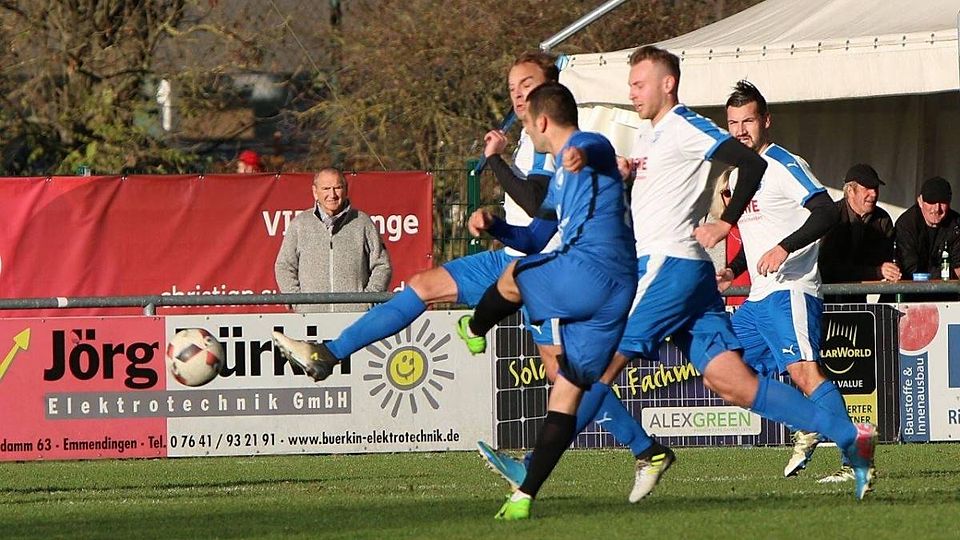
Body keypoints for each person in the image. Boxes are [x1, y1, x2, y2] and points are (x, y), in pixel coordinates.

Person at [466, 47, 877, 513]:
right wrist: (625, 178)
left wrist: (725, 222)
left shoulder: (684, 124)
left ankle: (533, 473)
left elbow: (752, 164)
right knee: (734, 383)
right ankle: (850, 434)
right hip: (687, 274)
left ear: (668, 84)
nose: (632, 92)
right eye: (630, 84)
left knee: (592, 369)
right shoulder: (651, 135)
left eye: (639, 83)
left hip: (669, 267)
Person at [272, 53, 664, 501]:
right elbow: (533, 227)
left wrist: (494, 161)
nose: (518, 94)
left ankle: (639, 449)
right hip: (515, 258)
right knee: (423, 286)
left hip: (556, 272)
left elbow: (539, 205)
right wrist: (496, 224)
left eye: (527, 84)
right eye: (512, 86)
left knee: (565, 378)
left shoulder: (562, 142)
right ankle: (330, 353)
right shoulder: (531, 140)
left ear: (550, 89)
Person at [458, 82, 637, 520]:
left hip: (591, 269)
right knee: (568, 391)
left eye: (527, 124)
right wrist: (496, 226)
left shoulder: (585, 144)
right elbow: (535, 238)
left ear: (541, 121)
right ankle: (524, 496)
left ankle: (475, 326)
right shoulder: (558, 179)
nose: (528, 132)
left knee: (515, 274)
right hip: (617, 291)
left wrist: (580, 156)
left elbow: (594, 149)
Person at [715, 81, 856, 484]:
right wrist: (733, 269)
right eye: (733, 123)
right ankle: (808, 422)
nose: (741, 130)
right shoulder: (739, 174)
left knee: (805, 374)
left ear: (766, 121)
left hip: (790, 287)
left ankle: (855, 462)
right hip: (758, 297)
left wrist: (784, 248)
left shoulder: (781, 163)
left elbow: (827, 211)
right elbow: (757, 232)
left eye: (748, 121)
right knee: (727, 372)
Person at [274, 168, 392, 313]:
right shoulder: (299, 224)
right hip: (311, 318)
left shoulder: (363, 222)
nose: (332, 194)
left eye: (337, 188)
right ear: (315, 192)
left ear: (346, 190)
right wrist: (298, 301)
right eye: (326, 188)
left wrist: (367, 301)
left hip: (355, 318)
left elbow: (382, 265)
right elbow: (284, 265)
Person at [819, 163, 900, 303]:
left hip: (860, 301)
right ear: (851, 191)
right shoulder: (831, 216)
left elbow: (889, 257)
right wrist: (876, 271)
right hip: (827, 301)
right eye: (867, 188)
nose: (874, 194)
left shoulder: (882, 219)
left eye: (876, 188)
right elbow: (828, 268)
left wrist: (890, 270)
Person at [895, 176, 960, 281]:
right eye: (931, 202)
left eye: (942, 202)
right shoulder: (906, 225)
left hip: (948, 288)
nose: (937, 208)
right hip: (911, 288)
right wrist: (946, 273)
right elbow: (910, 268)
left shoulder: (956, 225)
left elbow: (958, 265)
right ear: (920, 201)